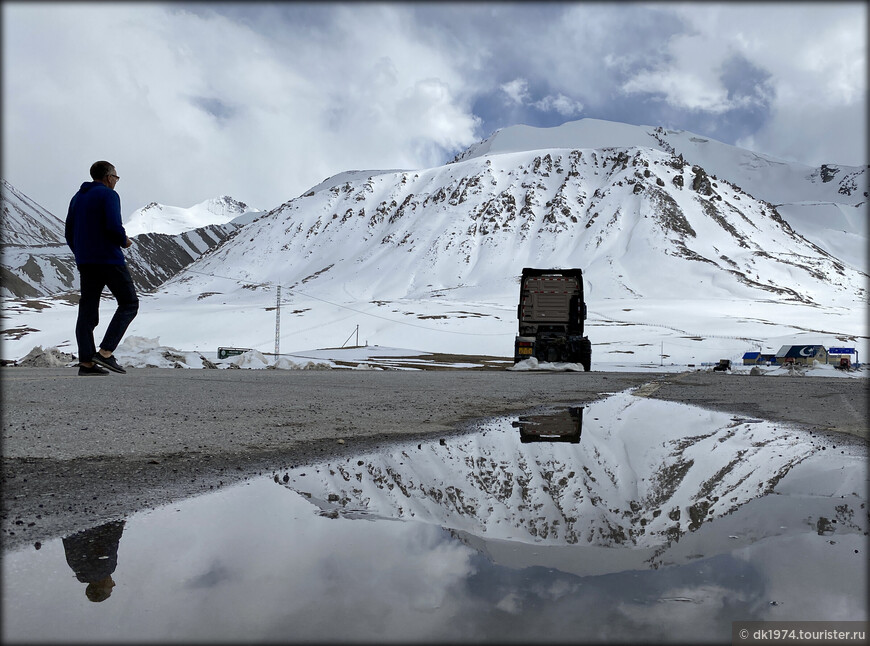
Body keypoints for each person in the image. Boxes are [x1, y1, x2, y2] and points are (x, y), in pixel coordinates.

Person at [65, 161, 138, 375]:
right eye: (116, 177)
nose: (116, 181)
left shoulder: (77, 198)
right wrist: (123, 241)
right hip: (108, 259)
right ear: (108, 177)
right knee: (129, 303)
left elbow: (69, 232)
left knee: (87, 310)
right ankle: (105, 352)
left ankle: (86, 363)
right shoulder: (109, 195)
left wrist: (80, 253)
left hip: (85, 261)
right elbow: (113, 226)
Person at [62, 520, 126, 602]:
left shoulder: (106, 569)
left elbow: (111, 540)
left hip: (95, 522)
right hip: (71, 524)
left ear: (101, 585)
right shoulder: (76, 568)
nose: (114, 584)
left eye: (110, 587)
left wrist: (119, 523)